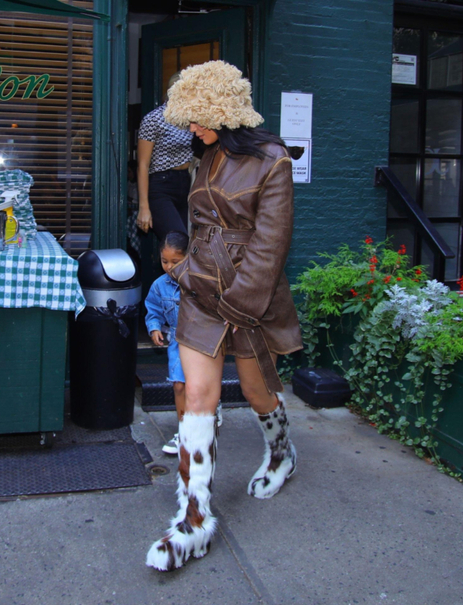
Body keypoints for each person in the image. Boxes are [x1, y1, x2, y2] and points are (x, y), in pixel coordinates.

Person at [145, 60, 303, 572]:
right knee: (197, 397)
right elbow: (198, 228)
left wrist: (239, 304)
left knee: (258, 392)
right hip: (199, 292)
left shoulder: (272, 160)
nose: (189, 127)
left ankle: (281, 452)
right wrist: (189, 270)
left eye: (196, 117)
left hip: (246, 299)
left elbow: (270, 246)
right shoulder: (206, 156)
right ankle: (192, 521)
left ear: (224, 112)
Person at [144, 231, 222, 455]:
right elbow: (153, 310)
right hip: (178, 341)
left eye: (175, 261)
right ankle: (185, 431)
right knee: (179, 385)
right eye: (164, 261)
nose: (169, 266)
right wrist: (155, 327)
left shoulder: (202, 280)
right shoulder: (160, 286)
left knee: (200, 387)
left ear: (189, 257)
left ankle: (210, 412)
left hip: (202, 339)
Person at [136, 72, 193, 241]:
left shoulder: (193, 120)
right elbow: (143, 165)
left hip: (188, 183)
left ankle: (165, 268)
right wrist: (143, 207)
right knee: (178, 241)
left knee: (186, 243)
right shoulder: (154, 119)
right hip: (161, 185)